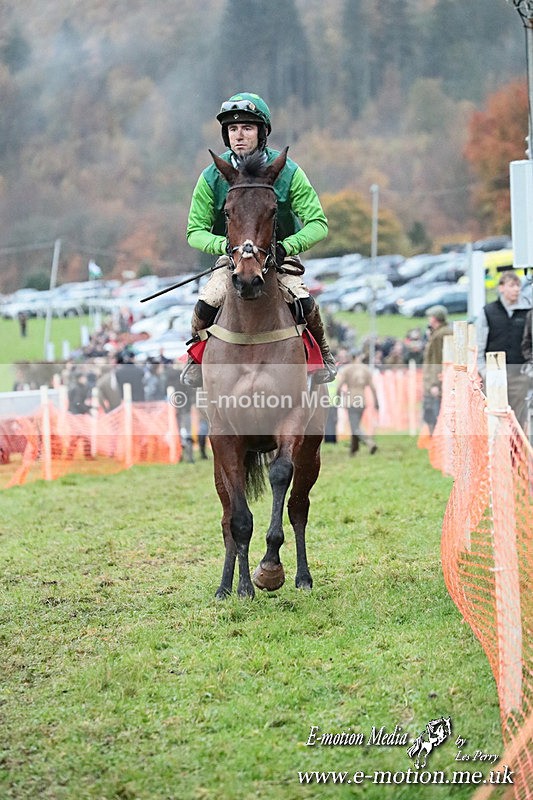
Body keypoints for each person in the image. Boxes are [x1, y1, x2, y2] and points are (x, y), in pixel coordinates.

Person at [181, 91, 336, 387]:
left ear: (262, 132)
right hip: (235, 256)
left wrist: (286, 247)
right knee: (206, 302)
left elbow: (318, 224)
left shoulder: (288, 173)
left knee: (304, 302)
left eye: (247, 128)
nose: (239, 135)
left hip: (278, 254)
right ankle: (195, 360)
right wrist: (223, 247)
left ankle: (324, 357)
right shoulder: (211, 177)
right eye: (233, 129)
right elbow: (194, 231)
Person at [476, 270, 531, 430]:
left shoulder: (528, 310)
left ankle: (516, 454)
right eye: (512, 285)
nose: (517, 289)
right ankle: (498, 454)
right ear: (501, 288)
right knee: (495, 418)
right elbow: (479, 344)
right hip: (494, 375)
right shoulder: (488, 311)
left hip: (520, 374)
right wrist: (484, 371)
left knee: (518, 419)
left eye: (518, 286)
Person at [336, 353, 379, 455]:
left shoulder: (347, 369)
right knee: (355, 425)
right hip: (362, 400)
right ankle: (354, 449)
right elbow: (373, 388)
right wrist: (376, 402)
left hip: (352, 400)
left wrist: (338, 398)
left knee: (355, 427)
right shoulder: (366, 369)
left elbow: (339, 386)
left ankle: (370, 443)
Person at [422, 304, 452, 435]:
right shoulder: (438, 334)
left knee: (435, 413)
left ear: (435, 319)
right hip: (437, 381)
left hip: (438, 382)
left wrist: (435, 384)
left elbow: (438, 361)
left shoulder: (441, 335)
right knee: (430, 412)